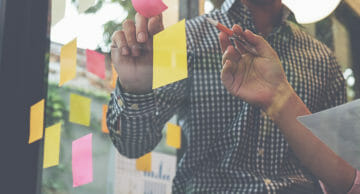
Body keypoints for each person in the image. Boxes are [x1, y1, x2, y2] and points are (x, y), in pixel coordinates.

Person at [108, 0, 346, 193]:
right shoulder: (185, 40)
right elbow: (132, 145)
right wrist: (135, 89)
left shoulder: (322, 59)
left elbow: (344, 171)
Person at [219, 24, 359, 194]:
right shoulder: (187, 36)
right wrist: (279, 95)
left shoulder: (323, 59)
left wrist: (279, 95)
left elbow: (346, 179)